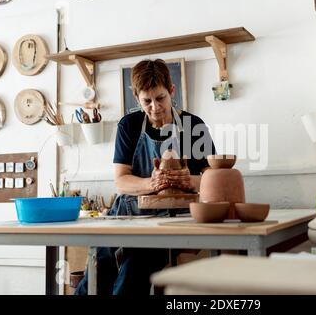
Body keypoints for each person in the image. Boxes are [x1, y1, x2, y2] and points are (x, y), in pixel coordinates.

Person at [75, 59, 216, 295]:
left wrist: (188, 181)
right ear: (136, 97)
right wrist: (152, 183)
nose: (154, 107)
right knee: (98, 273)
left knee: (132, 273)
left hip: (172, 223)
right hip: (128, 217)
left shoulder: (193, 126)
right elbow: (121, 180)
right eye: (146, 101)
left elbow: (213, 178)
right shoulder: (129, 125)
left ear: (172, 90)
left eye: (160, 98)